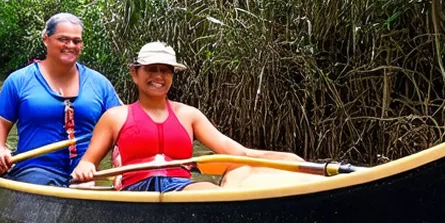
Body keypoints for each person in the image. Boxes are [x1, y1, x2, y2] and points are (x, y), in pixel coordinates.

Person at [70, 42, 313, 192]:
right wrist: (85, 169)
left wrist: (291, 159)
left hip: (182, 186)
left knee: (236, 171)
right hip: (137, 188)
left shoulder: (190, 115)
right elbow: (88, 162)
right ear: (135, 73)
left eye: (165, 70)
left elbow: (237, 153)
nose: (159, 76)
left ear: (173, 75)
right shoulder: (115, 116)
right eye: (151, 69)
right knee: (208, 193)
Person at [0, 13, 122, 186]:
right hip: (34, 170)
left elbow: (122, 129)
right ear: (46, 39)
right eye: (63, 39)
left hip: (84, 173)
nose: (71, 46)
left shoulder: (99, 83)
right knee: (39, 180)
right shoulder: (19, 80)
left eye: (76, 41)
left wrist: (120, 165)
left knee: (86, 186)